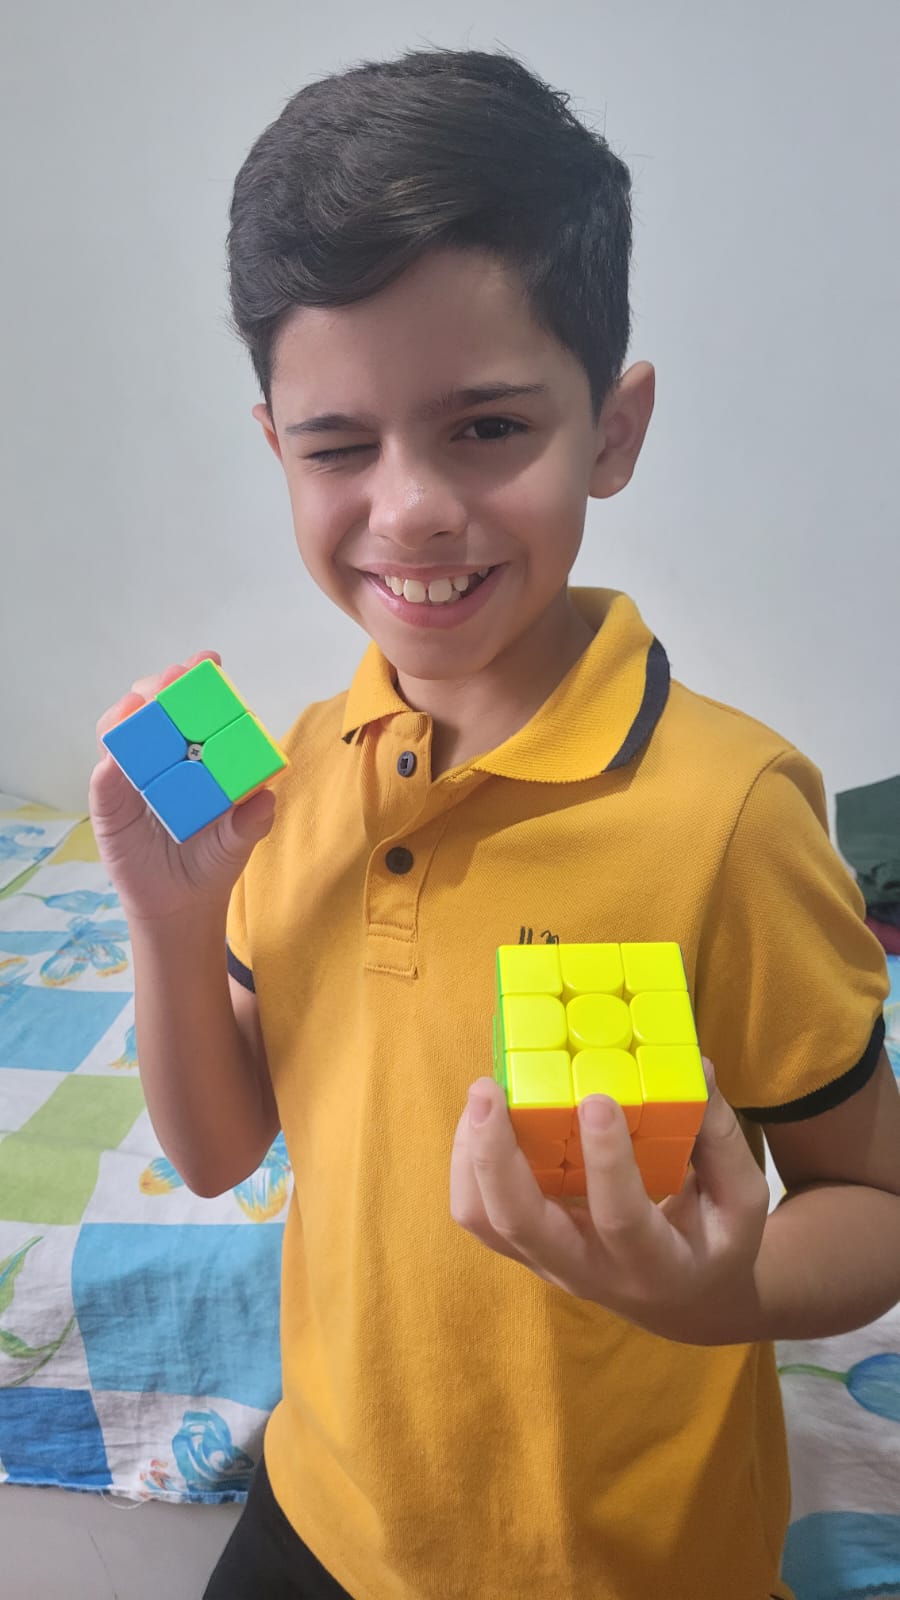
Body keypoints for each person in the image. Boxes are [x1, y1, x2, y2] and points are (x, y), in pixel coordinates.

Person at [89, 45, 900, 1600]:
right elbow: (217, 1149)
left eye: (485, 429)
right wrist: (173, 920)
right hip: (324, 1509)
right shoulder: (296, 771)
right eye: (339, 446)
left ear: (613, 429)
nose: (408, 509)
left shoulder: (730, 813)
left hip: (618, 1565)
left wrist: (713, 1291)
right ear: (277, 449)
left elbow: (874, 1205)